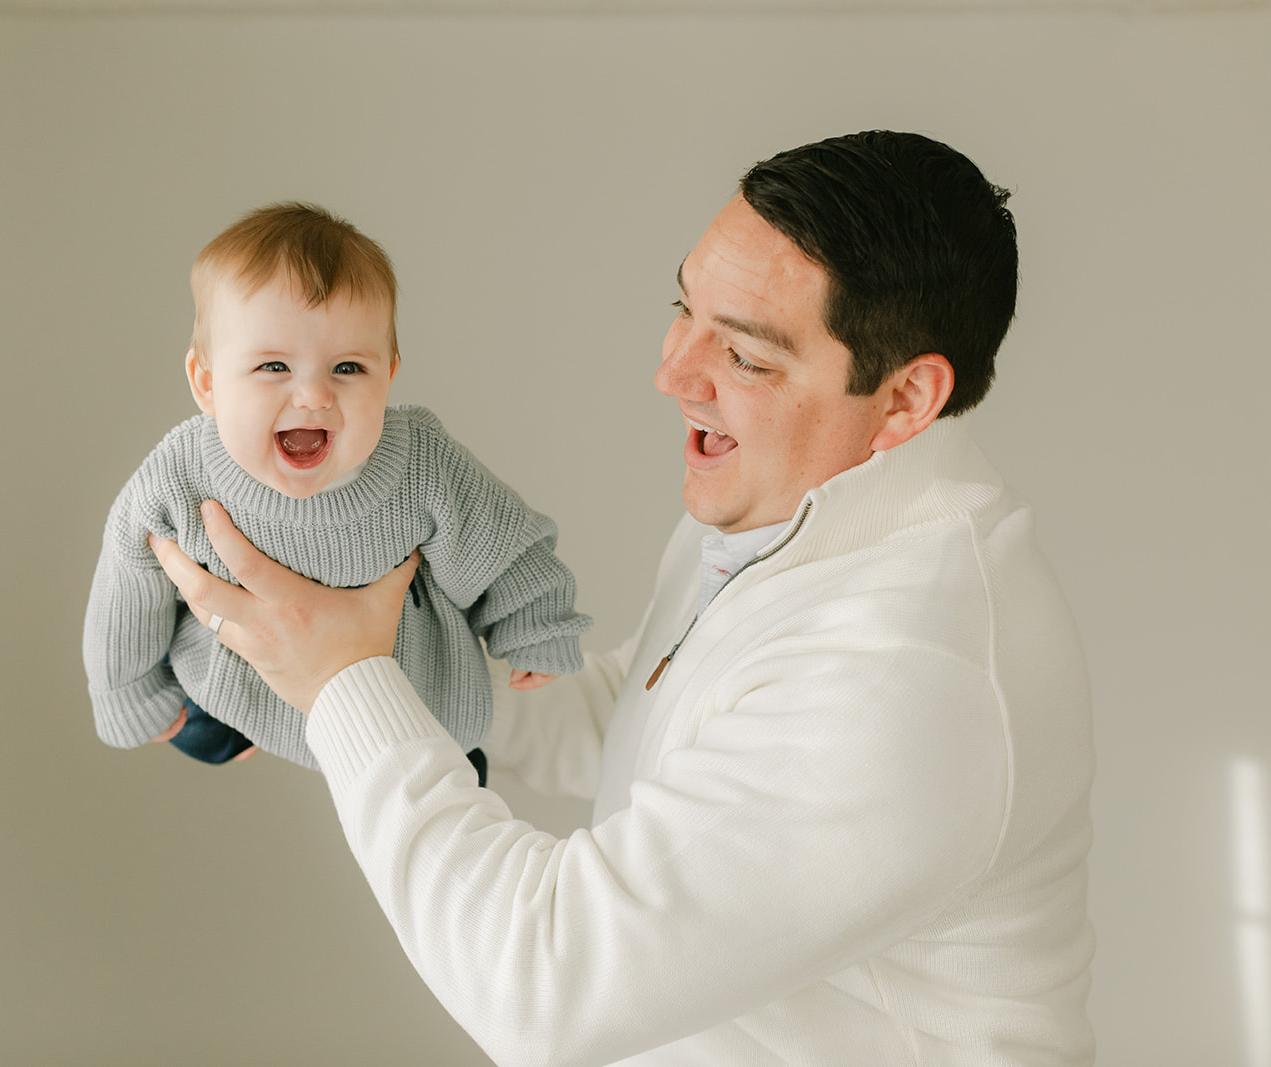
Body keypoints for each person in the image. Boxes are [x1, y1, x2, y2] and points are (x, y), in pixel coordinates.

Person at [149, 133, 1096, 1065]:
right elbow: (650, 714)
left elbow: (542, 985)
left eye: (747, 356)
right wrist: (379, 653)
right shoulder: (793, 504)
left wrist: (344, 681)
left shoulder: (913, 671)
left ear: (904, 400)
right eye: (683, 309)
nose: (673, 372)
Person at [84, 202, 591, 775]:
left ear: (390, 375)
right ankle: (219, 725)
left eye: (347, 368)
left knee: (449, 762)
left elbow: (504, 546)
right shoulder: (178, 476)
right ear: (206, 382)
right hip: (237, 691)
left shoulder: (420, 462)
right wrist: (127, 694)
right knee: (198, 719)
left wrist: (536, 626)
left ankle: (444, 775)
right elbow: (125, 588)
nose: (314, 396)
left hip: (409, 696)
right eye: (274, 366)